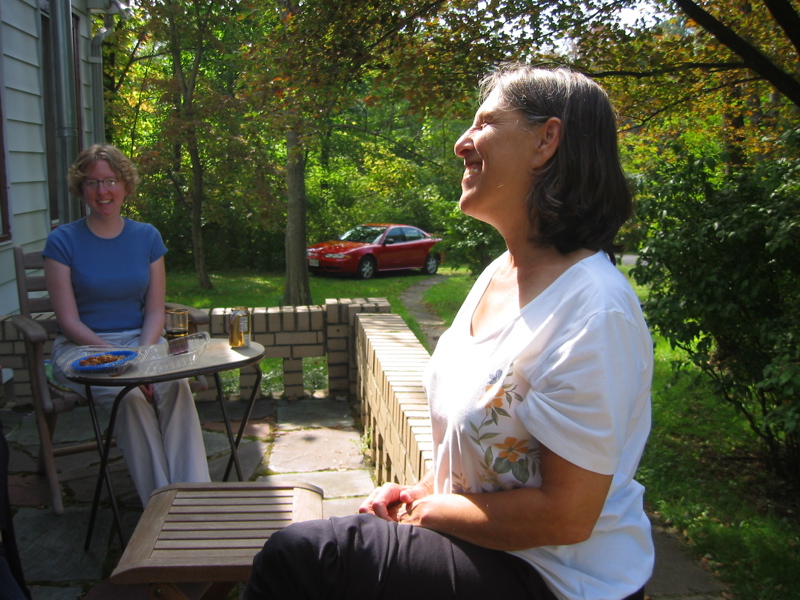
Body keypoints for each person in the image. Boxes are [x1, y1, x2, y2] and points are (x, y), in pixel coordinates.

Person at [243, 64, 654, 600]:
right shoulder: (497, 274)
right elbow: (478, 453)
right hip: (492, 550)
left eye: (484, 124)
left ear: (545, 140)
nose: (462, 143)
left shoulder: (595, 312)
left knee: (303, 558)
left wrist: (427, 511)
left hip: (560, 578)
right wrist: (419, 491)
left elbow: (566, 517)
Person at [44, 144, 210, 507]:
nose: (102, 192)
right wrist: (125, 364)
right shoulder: (62, 241)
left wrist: (145, 357)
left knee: (176, 388)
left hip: (143, 341)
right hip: (86, 349)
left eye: (110, 181)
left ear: (125, 185)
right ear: (81, 188)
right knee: (131, 399)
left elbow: (154, 311)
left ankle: (196, 497)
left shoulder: (147, 237)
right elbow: (69, 322)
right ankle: (161, 510)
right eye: (92, 183)